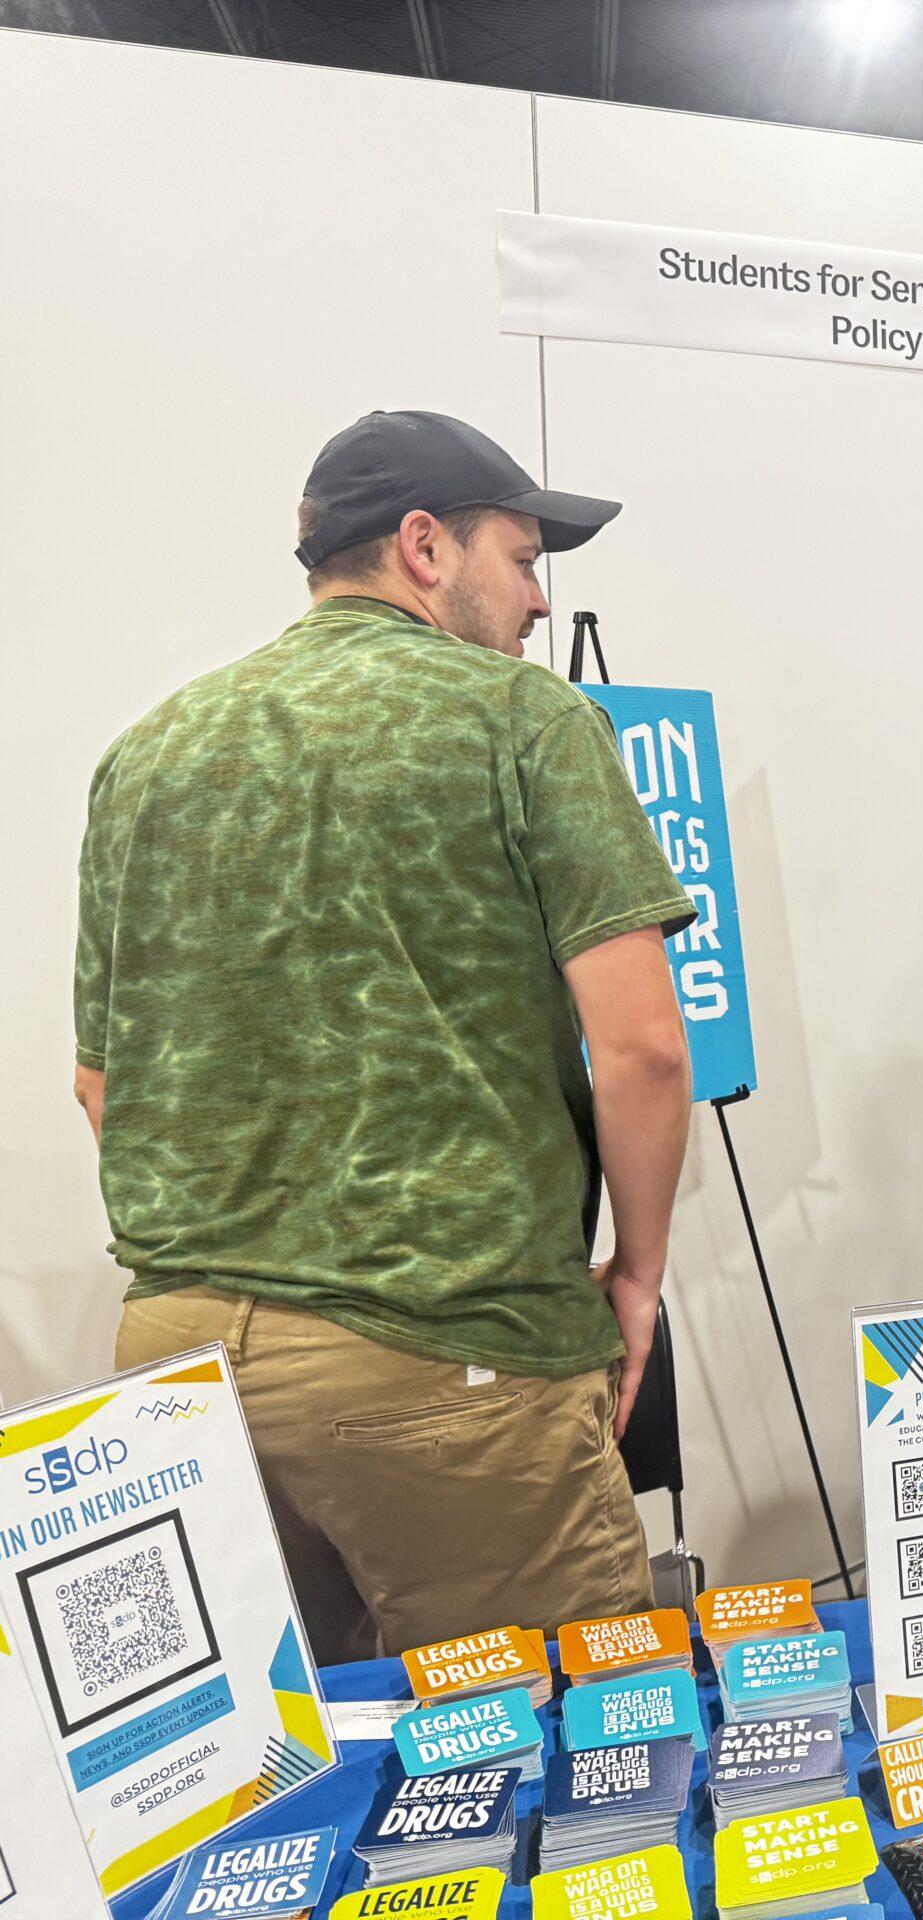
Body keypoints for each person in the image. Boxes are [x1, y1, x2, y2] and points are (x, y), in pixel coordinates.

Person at [78, 410, 698, 1661]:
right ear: (424, 546)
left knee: (287, 1760)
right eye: (521, 560)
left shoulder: (146, 753)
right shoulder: (522, 720)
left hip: (178, 1369)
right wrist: (636, 1275)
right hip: (446, 1356)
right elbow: (643, 1050)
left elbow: (103, 1085)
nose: (537, 601)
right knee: (567, 1737)